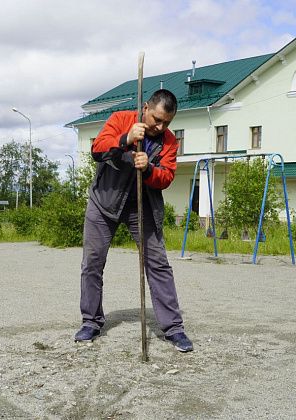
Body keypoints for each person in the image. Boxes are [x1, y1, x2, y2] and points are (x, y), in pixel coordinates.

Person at [74, 89, 193, 352]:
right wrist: (126, 138)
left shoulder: (170, 141)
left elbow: (167, 177)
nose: (160, 127)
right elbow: (98, 150)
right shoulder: (120, 119)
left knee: (159, 265)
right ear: (146, 107)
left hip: (142, 207)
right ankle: (91, 322)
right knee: (92, 263)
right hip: (104, 202)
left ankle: (173, 328)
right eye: (157, 119)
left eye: (167, 123)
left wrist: (148, 168)